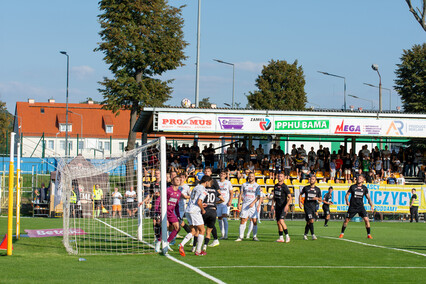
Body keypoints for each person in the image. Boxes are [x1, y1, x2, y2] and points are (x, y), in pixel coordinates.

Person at [178, 175, 212, 257]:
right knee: (202, 230)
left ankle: (181, 244)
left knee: (193, 231)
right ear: (206, 182)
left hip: (188, 210)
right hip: (195, 211)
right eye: (210, 182)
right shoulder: (203, 190)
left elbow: (194, 200)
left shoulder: (196, 187)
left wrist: (200, 205)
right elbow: (199, 202)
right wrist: (202, 209)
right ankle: (198, 251)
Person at [154, 176, 182, 252]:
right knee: (165, 226)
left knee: (177, 227)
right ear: (172, 182)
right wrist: (157, 211)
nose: (178, 181)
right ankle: (158, 242)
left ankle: (166, 243)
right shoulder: (168, 190)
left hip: (171, 212)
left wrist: (178, 215)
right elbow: (158, 200)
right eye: (176, 179)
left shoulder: (179, 192)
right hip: (163, 211)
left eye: (179, 179)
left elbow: (176, 205)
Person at [236, 172, 261, 241]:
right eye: (249, 176)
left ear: (254, 177)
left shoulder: (257, 186)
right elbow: (240, 194)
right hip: (245, 205)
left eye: (252, 176)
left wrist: (253, 203)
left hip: (253, 205)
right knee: (243, 220)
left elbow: (258, 196)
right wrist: (239, 203)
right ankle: (241, 237)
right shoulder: (244, 185)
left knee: (254, 220)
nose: (250, 177)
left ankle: (254, 236)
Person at [202, 167, 222, 248]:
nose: (207, 172)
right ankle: (215, 239)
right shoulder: (202, 181)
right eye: (205, 171)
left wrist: (213, 202)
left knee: (207, 224)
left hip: (210, 205)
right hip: (204, 205)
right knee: (209, 224)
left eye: (208, 171)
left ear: (211, 172)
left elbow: (219, 193)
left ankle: (214, 239)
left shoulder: (213, 182)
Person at [299, 176, 322, 240]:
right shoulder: (306, 188)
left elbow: (320, 199)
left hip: (313, 207)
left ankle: (305, 234)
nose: (311, 180)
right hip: (307, 206)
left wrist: (316, 198)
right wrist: (300, 203)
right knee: (311, 220)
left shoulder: (317, 189)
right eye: (311, 179)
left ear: (315, 181)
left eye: (313, 179)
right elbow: (300, 195)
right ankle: (313, 235)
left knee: (309, 222)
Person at [271, 172, 291, 243]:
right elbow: (274, 197)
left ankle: (287, 236)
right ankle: (281, 238)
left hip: (283, 206)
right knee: (278, 222)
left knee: (281, 221)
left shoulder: (285, 186)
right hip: (277, 206)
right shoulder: (275, 186)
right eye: (279, 176)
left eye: (281, 176)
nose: (280, 177)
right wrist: (272, 205)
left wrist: (286, 205)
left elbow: (290, 197)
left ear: (284, 178)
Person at [217, 171, 233, 239]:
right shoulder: (217, 182)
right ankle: (222, 234)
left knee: (224, 218)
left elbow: (231, 193)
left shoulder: (228, 182)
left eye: (223, 174)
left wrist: (230, 201)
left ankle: (226, 235)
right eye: (221, 174)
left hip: (225, 203)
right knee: (219, 219)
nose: (222, 175)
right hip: (218, 202)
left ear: (226, 175)